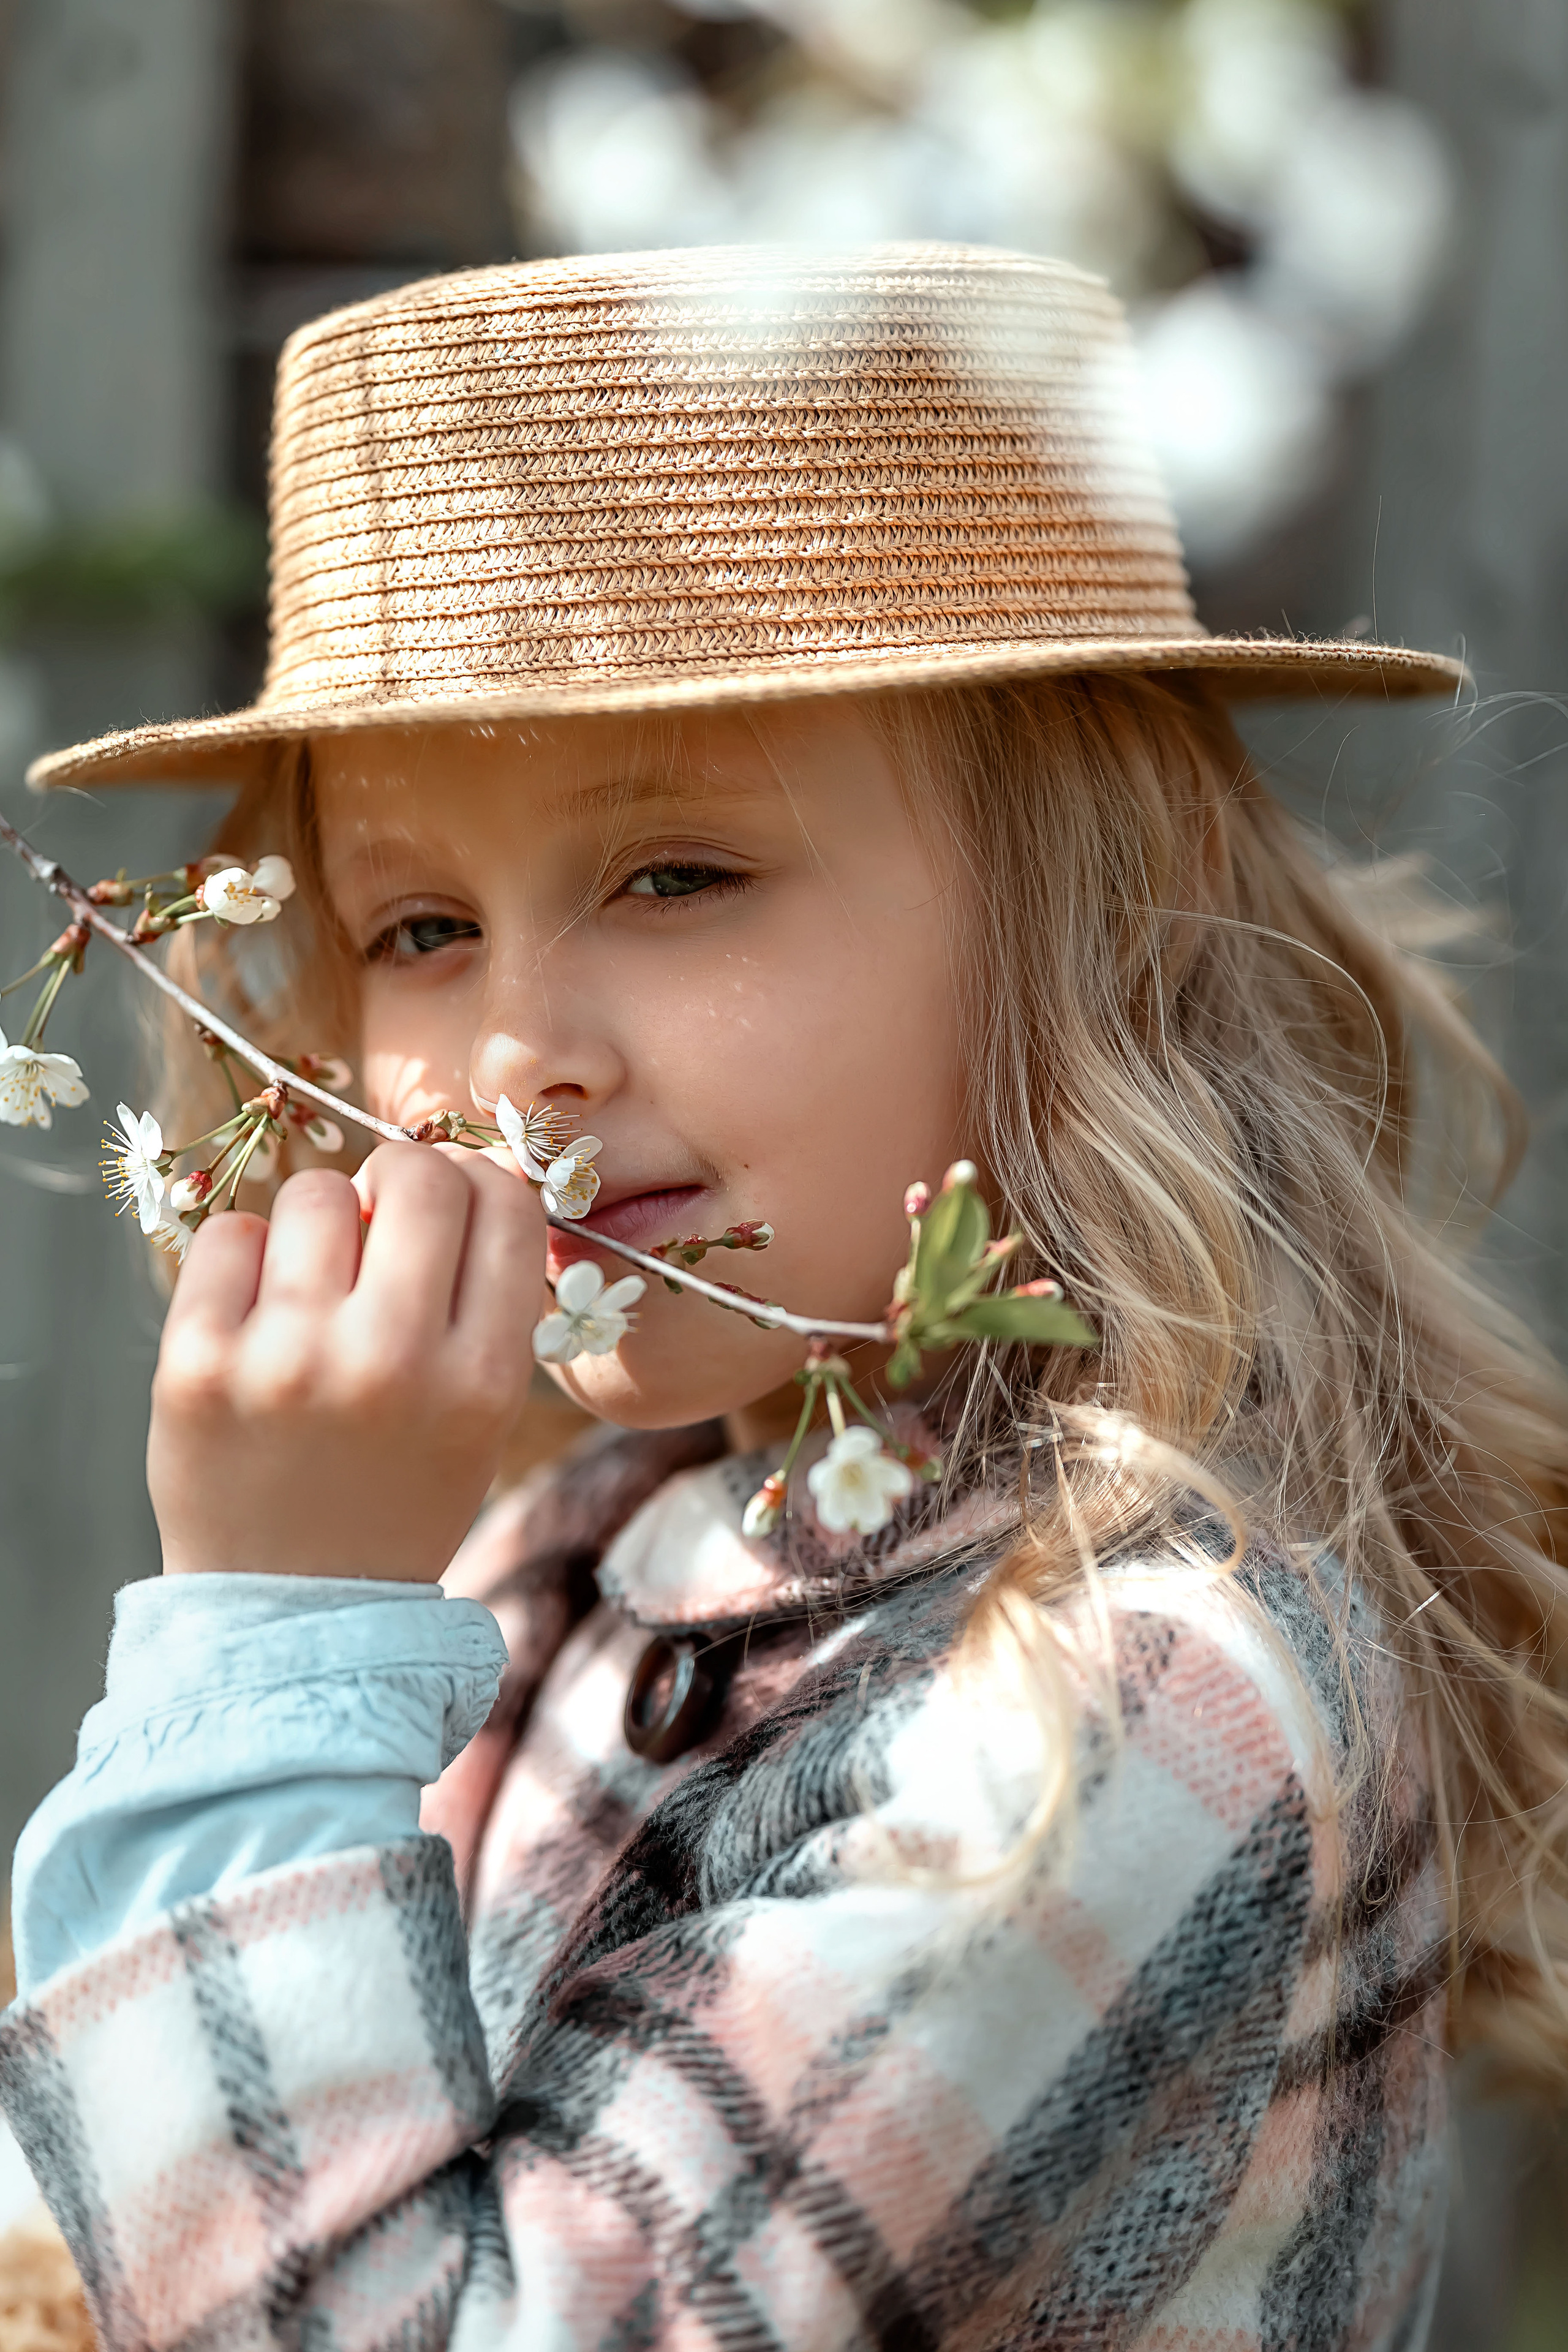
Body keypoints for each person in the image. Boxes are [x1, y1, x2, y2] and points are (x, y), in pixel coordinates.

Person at [3, 244, 1566, 2352]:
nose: (516, 1060)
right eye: (422, 927)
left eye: (678, 875)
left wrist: (271, 1650)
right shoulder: (573, 1552)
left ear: (1098, 915)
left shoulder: (1115, 1697)